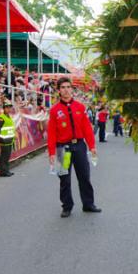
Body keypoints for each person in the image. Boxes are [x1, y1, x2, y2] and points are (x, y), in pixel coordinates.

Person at [47, 77, 101, 218]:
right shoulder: (54, 110)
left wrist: (92, 146)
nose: (66, 90)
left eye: (68, 87)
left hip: (79, 146)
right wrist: (51, 153)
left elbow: (87, 128)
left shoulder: (80, 107)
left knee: (84, 176)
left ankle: (88, 204)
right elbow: (51, 133)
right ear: (59, 90)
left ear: (72, 89)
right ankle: (67, 206)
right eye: (63, 87)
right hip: (62, 149)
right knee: (64, 179)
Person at [0, 99, 16, 177]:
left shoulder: (9, 117)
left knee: (7, 157)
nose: (9, 109)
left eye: (10, 107)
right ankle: (3, 172)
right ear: (4, 108)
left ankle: (6, 170)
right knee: (4, 157)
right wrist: (0, 139)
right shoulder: (2, 117)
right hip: (4, 141)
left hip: (9, 140)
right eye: (7, 107)